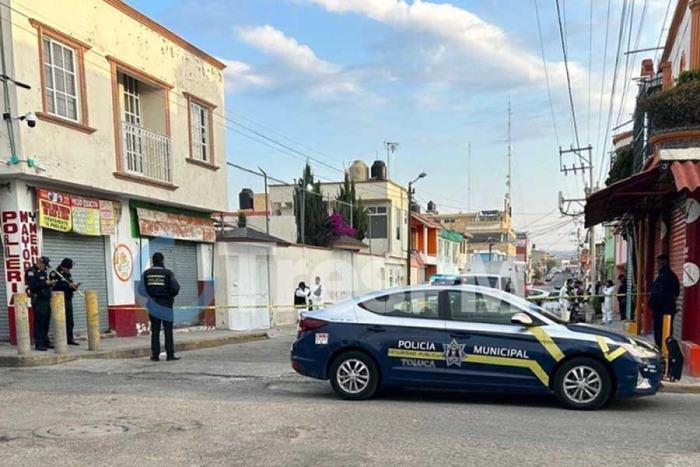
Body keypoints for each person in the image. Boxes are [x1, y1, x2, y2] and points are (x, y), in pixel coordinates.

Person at [140, 252, 181, 362]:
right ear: (162, 261)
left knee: (155, 330)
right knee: (168, 330)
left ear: (153, 261)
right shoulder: (167, 273)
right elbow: (175, 288)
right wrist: (168, 296)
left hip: (153, 305)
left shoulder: (146, 273)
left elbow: (141, 290)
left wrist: (151, 296)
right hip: (166, 305)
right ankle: (170, 354)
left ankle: (155, 355)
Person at [25, 256, 56, 351]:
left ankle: (45, 341)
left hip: (46, 299)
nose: (45, 267)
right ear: (39, 263)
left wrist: (51, 283)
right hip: (38, 300)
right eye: (44, 265)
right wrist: (45, 283)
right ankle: (39, 343)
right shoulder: (31, 272)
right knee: (39, 322)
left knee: (46, 321)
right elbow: (33, 285)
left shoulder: (43, 272)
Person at [649, 254, 680, 348]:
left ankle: (663, 353)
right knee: (667, 331)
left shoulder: (663, 277)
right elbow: (677, 292)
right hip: (669, 308)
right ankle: (666, 352)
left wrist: (652, 304)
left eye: (658, 262)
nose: (657, 264)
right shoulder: (672, 276)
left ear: (664, 262)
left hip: (660, 310)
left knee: (660, 332)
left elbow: (657, 294)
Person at [50, 258, 80, 345]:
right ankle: (61, 339)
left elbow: (70, 284)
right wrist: (68, 286)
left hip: (68, 299)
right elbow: (55, 286)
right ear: (64, 266)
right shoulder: (55, 273)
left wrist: (74, 287)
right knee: (60, 321)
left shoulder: (68, 274)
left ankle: (69, 338)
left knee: (70, 321)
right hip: (59, 300)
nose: (69, 269)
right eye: (68, 268)